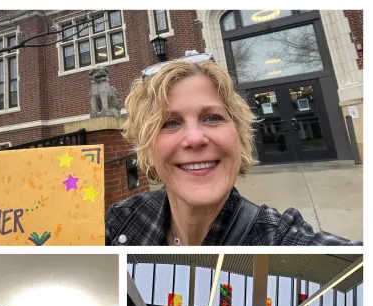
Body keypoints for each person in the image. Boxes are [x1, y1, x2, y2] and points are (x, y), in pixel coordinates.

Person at [105, 53, 361, 246]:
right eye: (170, 123)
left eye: (212, 118)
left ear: (239, 136)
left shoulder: (277, 239)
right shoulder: (121, 219)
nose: (195, 138)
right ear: (147, 148)